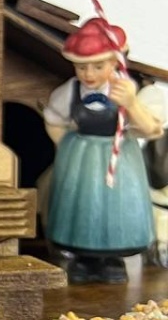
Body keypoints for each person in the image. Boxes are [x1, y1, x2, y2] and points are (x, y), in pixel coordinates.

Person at [43, 17, 164, 283]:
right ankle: (83, 259)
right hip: (82, 158)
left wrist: (131, 104)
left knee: (115, 205)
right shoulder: (70, 91)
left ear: (115, 62)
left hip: (119, 158)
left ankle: (112, 260)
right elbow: (53, 118)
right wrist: (65, 147)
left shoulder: (126, 89)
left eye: (98, 66)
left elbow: (152, 130)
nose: (89, 74)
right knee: (82, 203)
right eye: (81, 67)